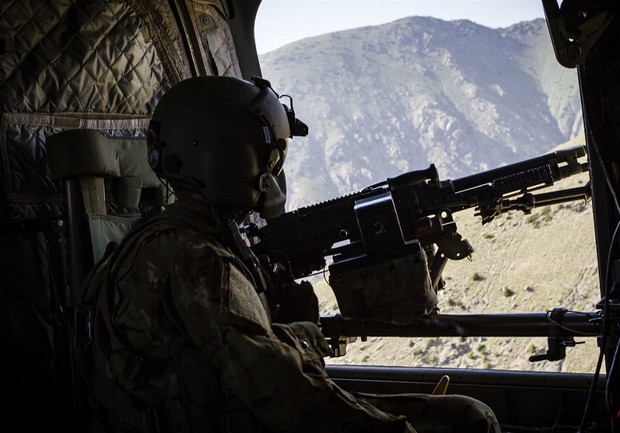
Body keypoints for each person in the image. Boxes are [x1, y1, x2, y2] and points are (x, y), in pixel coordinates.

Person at [80, 75, 501, 433]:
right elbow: (284, 394)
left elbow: (222, 357)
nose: (271, 173)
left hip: (227, 410)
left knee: (465, 414)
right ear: (228, 158)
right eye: (267, 158)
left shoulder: (170, 236)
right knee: (469, 421)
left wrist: (292, 327)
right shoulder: (201, 259)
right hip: (249, 415)